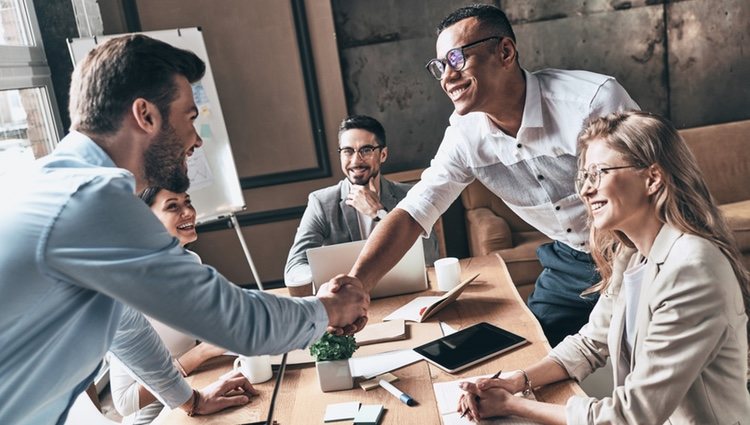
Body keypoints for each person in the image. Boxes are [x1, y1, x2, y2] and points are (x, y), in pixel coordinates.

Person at [0, 34, 368, 424]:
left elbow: (125, 325)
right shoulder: (92, 200)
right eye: (190, 117)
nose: (195, 140)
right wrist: (329, 309)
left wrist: (188, 400)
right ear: (145, 115)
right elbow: (237, 322)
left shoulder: (53, 182)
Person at [328, 4, 639, 344]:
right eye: (440, 66)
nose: (447, 76)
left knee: (647, 353)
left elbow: (655, 188)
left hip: (637, 247)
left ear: (505, 52)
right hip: (570, 260)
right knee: (529, 353)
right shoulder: (465, 135)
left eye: (458, 59)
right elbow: (414, 211)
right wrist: (358, 283)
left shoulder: (591, 102)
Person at [456, 111, 750, 424]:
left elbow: (630, 416)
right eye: (584, 177)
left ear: (652, 178)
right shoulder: (632, 254)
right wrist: (516, 381)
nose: (584, 190)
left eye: (598, 173)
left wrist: (512, 405)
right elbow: (590, 343)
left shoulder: (692, 268)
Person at [109, 187, 227, 424]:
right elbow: (125, 402)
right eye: (173, 206)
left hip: (197, 388)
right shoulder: (127, 287)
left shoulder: (192, 264)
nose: (188, 212)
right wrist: (201, 353)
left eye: (188, 202)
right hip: (155, 415)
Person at [284, 115, 439, 284]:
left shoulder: (410, 195)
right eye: (347, 151)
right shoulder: (321, 203)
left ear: (383, 154)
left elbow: (430, 256)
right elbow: (294, 267)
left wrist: (379, 214)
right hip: (345, 298)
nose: (356, 160)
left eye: (366, 150)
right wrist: (333, 282)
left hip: (404, 292)